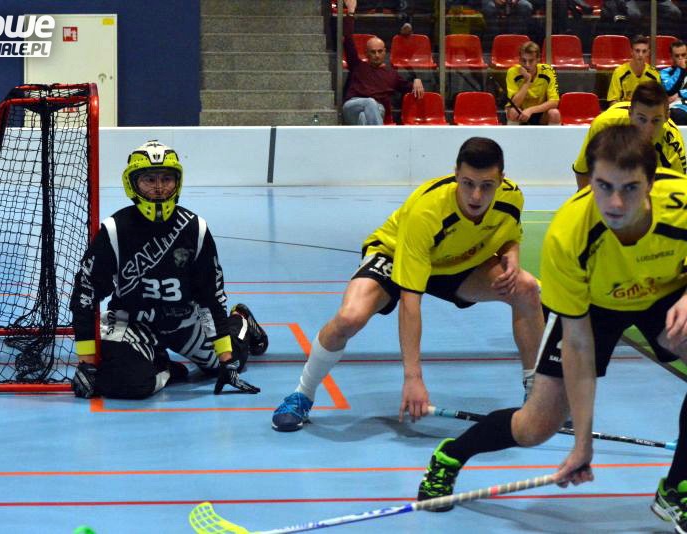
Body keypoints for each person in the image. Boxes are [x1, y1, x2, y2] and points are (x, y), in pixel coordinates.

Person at [416, 125, 687, 534]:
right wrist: (582, 443)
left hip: (664, 290)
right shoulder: (569, 235)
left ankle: (677, 489)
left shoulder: (681, 200)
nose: (615, 202)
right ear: (590, 180)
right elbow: (578, 344)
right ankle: (452, 454)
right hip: (593, 307)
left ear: (651, 182)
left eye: (630, 188)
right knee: (537, 426)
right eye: (603, 186)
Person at [271, 137, 544, 432]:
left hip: (455, 264)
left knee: (526, 288)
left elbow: (509, 235)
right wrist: (413, 379)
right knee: (350, 318)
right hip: (394, 252)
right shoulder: (426, 212)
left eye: (486, 186)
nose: (476, 196)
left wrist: (511, 254)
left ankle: (539, 395)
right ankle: (302, 393)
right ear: (456, 175)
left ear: (501, 180)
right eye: (467, 183)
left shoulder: (512, 197)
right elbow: (410, 302)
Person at [68, 141, 268, 399]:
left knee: (228, 365)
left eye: (166, 179)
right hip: (134, 324)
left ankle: (241, 320)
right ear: (132, 184)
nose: (159, 187)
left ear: (178, 182)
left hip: (185, 322)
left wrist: (226, 359)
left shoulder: (195, 229)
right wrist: (86, 362)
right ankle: (164, 366)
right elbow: (85, 295)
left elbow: (211, 296)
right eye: (149, 180)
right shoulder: (115, 230)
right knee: (127, 383)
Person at [572, 81, 685, 190]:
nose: (648, 129)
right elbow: (583, 172)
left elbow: (679, 190)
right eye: (642, 119)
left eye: (656, 120)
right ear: (630, 113)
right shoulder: (604, 126)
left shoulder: (674, 144)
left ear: (667, 117)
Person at [341, 0, 423, 125]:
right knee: (370, 102)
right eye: (373, 52)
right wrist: (351, 12)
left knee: (364, 117)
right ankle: (380, 135)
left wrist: (417, 80)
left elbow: (410, 88)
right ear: (367, 53)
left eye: (380, 51)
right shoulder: (357, 65)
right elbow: (348, 38)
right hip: (353, 105)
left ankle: (369, 137)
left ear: (385, 52)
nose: (377, 55)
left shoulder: (391, 74)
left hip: (376, 108)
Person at [505, 41, 560, 125]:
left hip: (541, 112)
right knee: (513, 111)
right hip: (520, 112)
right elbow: (514, 104)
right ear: (519, 60)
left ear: (538, 59)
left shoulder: (548, 70)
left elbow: (554, 102)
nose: (527, 65)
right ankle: (513, 134)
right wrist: (527, 81)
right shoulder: (512, 72)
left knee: (554, 113)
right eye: (523, 60)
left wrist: (531, 110)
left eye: (531, 61)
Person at [607, 35, 661, 107]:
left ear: (648, 53)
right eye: (637, 51)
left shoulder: (654, 74)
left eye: (644, 51)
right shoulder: (619, 72)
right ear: (631, 51)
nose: (640, 55)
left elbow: (659, 101)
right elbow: (613, 102)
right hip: (624, 110)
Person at [660, 40, 687, 126]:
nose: (680, 58)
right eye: (677, 56)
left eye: (683, 55)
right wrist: (681, 70)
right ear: (671, 56)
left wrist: (679, 93)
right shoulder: (665, 72)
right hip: (677, 108)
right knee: (679, 115)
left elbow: (675, 93)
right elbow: (670, 90)